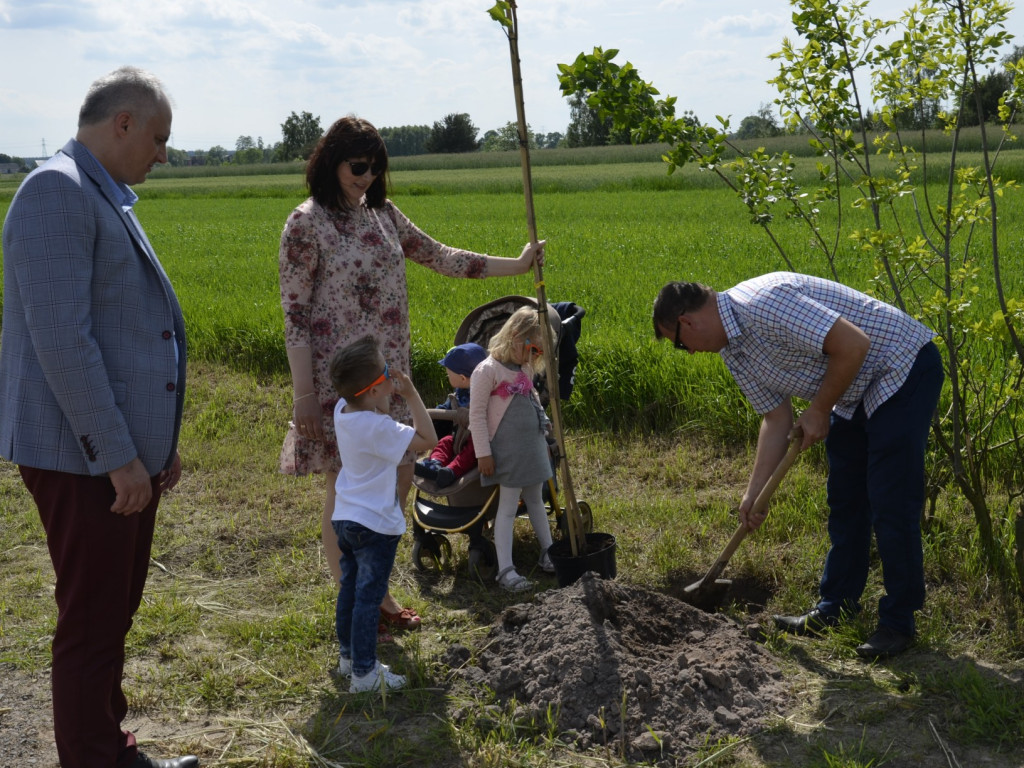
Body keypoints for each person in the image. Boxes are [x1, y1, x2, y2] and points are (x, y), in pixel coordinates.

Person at [278, 115, 544, 637]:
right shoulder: (305, 224)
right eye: (359, 166)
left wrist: (516, 266)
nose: (368, 177)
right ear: (331, 161)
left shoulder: (382, 215)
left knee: (395, 483)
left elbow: (442, 257)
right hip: (345, 388)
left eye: (377, 168)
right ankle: (364, 601)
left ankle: (371, 590)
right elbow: (295, 314)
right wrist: (305, 396)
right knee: (348, 494)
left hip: (390, 379)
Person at [0, 68, 197, 768]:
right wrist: (117, 454)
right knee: (91, 618)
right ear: (122, 123)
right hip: (81, 456)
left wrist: (153, 446)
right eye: (159, 137)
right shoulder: (56, 192)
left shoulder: (96, 192)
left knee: (111, 610)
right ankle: (93, 758)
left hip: (113, 455)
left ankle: (108, 747)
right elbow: (64, 344)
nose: (164, 154)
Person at [652, 272, 944, 659]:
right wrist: (754, 493)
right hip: (853, 388)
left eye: (677, 345)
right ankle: (835, 608)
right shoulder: (733, 351)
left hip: (899, 367)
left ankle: (898, 623)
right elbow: (776, 419)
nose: (687, 352)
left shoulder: (764, 303)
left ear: (686, 323)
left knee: (890, 500)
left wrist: (820, 409)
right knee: (845, 499)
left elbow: (854, 344)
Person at [328, 335, 437, 693]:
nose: (394, 375)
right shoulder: (378, 428)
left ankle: (347, 657)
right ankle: (364, 673)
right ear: (373, 390)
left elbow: (376, 411)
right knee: (368, 599)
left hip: (346, 517)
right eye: (387, 371)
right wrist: (410, 395)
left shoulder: (343, 410)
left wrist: (385, 394)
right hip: (375, 525)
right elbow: (428, 438)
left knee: (349, 590)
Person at [469, 306, 557, 592]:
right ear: (516, 337)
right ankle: (506, 570)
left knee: (535, 498)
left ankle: (549, 552)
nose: (535, 358)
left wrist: (543, 425)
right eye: (533, 349)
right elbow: (477, 415)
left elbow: (532, 400)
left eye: (539, 353)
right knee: (507, 508)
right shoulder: (487, 371)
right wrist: (483, 452)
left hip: (530, 446)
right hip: (508, 451)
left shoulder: (523, 368)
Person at [414, 343, 488, 487]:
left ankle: (451, 471)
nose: (447, 376)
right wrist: (431, 415)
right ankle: (435, 464)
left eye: (448, 374)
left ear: (462, 378)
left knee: (471, 452)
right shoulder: (458, 394)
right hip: (459, 437)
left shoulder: (485, 395)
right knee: (446, 441)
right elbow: (445, 408)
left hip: (479, 441)